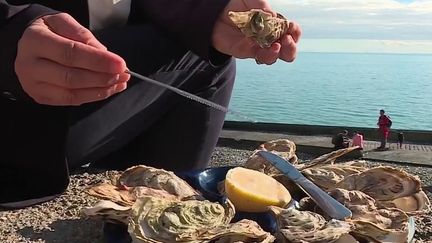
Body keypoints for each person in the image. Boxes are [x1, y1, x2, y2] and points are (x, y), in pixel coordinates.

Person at [0, 1, 301, 208]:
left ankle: (161, 215)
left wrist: (207, 13)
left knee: (206, 52)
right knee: (205, 63)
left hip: (64, 118)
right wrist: (11, 34)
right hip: (16, 127)